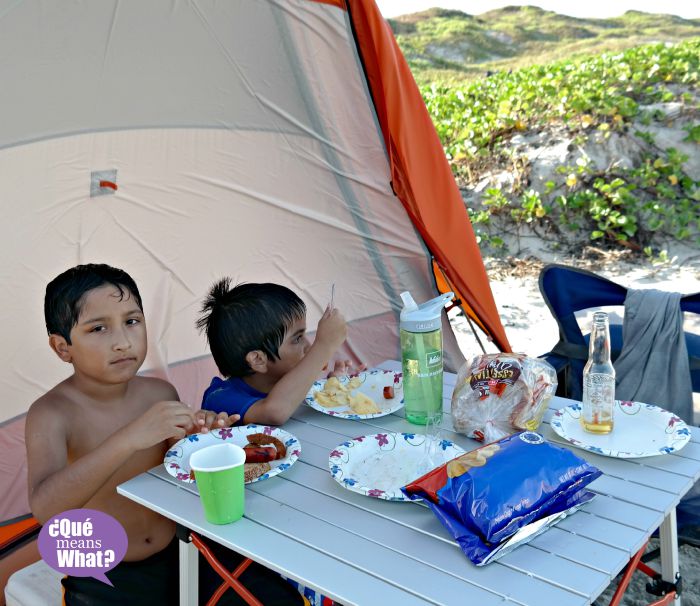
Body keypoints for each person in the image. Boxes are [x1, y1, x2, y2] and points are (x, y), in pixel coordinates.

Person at [25, 264, 304, 605]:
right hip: (107, 572)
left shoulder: (159, 394)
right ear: (62, 347)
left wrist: (202, 439)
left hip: (185, 543)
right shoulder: (51, 413)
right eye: (98, 328)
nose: (123, 341)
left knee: (277, 599)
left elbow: (178, 468)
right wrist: (129, 438)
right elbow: (45, 509)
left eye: (132, 321)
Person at [197, 279, 351, 425]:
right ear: (258, 360)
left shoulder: (288, 382)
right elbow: (275, 411)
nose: (309, 346)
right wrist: (323, 345)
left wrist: (334, 386)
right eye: (297, 338)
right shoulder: (220, 398)